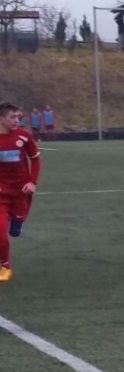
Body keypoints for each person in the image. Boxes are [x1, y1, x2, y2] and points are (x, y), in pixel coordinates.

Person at [0, 102, 41, 282]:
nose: (17, 120)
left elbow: (35, 160)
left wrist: (32, 182)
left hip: (21, 192)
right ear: (1, 119)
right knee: (0, 231)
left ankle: (15, 222)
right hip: (1, 193)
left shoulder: (24, 136)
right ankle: (5, 267)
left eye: (17, 117)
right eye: (12, 117)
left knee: (14, 232)